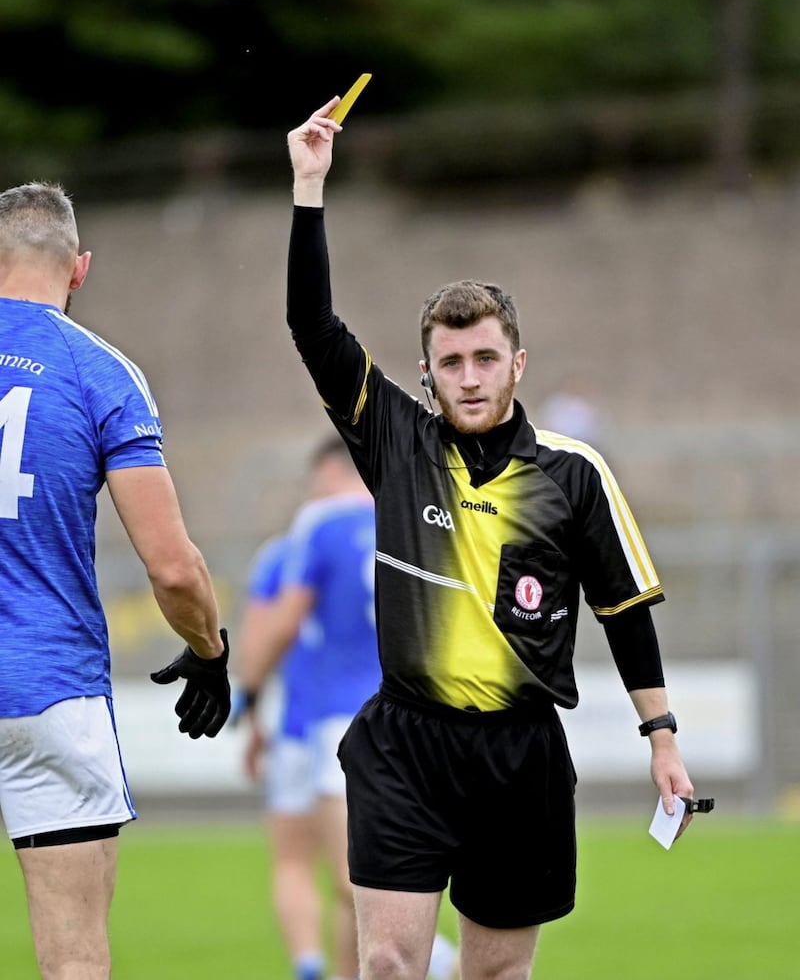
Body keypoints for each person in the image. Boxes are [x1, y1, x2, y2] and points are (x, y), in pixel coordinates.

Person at [283, 100, 696, 980]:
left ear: (518, 363)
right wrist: (309, 188)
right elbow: (314, 330)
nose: (468, 377)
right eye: (450, 361)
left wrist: (661, 736)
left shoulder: (574, 474)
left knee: (497, 974)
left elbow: (625, 612)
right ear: (426, 369)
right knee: (389, 964)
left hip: (521, 754)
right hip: (405, 742)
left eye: (484, 358)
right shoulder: (395, 438)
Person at [0, 182, 231, 980]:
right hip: (50, 690)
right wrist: (209, 646)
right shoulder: (101, 372)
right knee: (73, 959)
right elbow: (171, 566)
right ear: (80, 270)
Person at [235, 436, 381, 980]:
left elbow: (266, 631)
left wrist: (249, 705)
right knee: (360, 867)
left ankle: (316, 964)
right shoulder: (411, 520)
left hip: (316, 720)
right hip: (388, 715)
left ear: (330, 473)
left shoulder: (302, 536)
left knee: (316, 865)